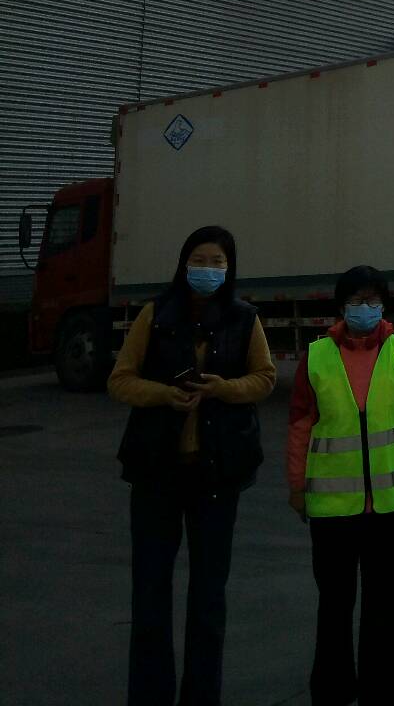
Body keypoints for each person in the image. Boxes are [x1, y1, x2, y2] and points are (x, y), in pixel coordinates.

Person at [108, 225, 276, 706]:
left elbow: (264, 378)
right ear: (184, 264)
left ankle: (201, 697)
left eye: (217, 262)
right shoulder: (155, 314)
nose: (208, 269)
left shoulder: (244, 318)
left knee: (208, 599)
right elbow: (121, 380)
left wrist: (224, 388)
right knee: (150, 597)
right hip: (157, 473)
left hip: (216, 475)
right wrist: (164, 394)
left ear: (230, 268)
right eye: (199, 260)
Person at [287, 265, 394, 706]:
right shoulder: (317, 356)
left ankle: (383, 694)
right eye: (355, 300)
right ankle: (332, 692)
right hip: (332, 510)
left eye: (372, 300)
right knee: (334, 607)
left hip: (388, 508)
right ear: (341, 306)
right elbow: (300, 425)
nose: (364, 308)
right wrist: (297, 485)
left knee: (385, 609)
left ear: (384, 305)